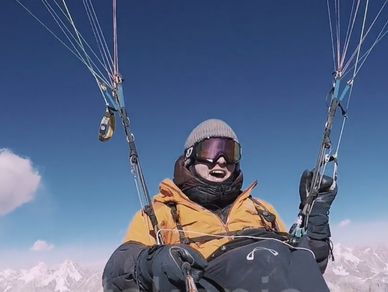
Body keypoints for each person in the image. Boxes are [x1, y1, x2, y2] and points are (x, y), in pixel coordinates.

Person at [101, 118, 338, 292]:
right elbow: (114, 277)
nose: (222, 160)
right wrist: (151, 262)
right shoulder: (160, 214)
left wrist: (316, 221)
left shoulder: (262, 211)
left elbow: (303, 269)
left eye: (230, 152)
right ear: (191, 156)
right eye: (212, 149)